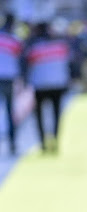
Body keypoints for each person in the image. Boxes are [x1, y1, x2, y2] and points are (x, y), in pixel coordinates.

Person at [23, 20, 71, 154]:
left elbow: (26, 64)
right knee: (56, 114)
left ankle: (43, 142)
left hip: (40, 85)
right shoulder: (61, 46)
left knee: (39, 115)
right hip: (58, 84)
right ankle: (55, 138)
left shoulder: (34, 48)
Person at [0, 12, 22, 156]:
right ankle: (13, 143)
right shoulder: (15, 40)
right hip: (8, 78)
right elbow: (21, 59)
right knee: (9, 111)